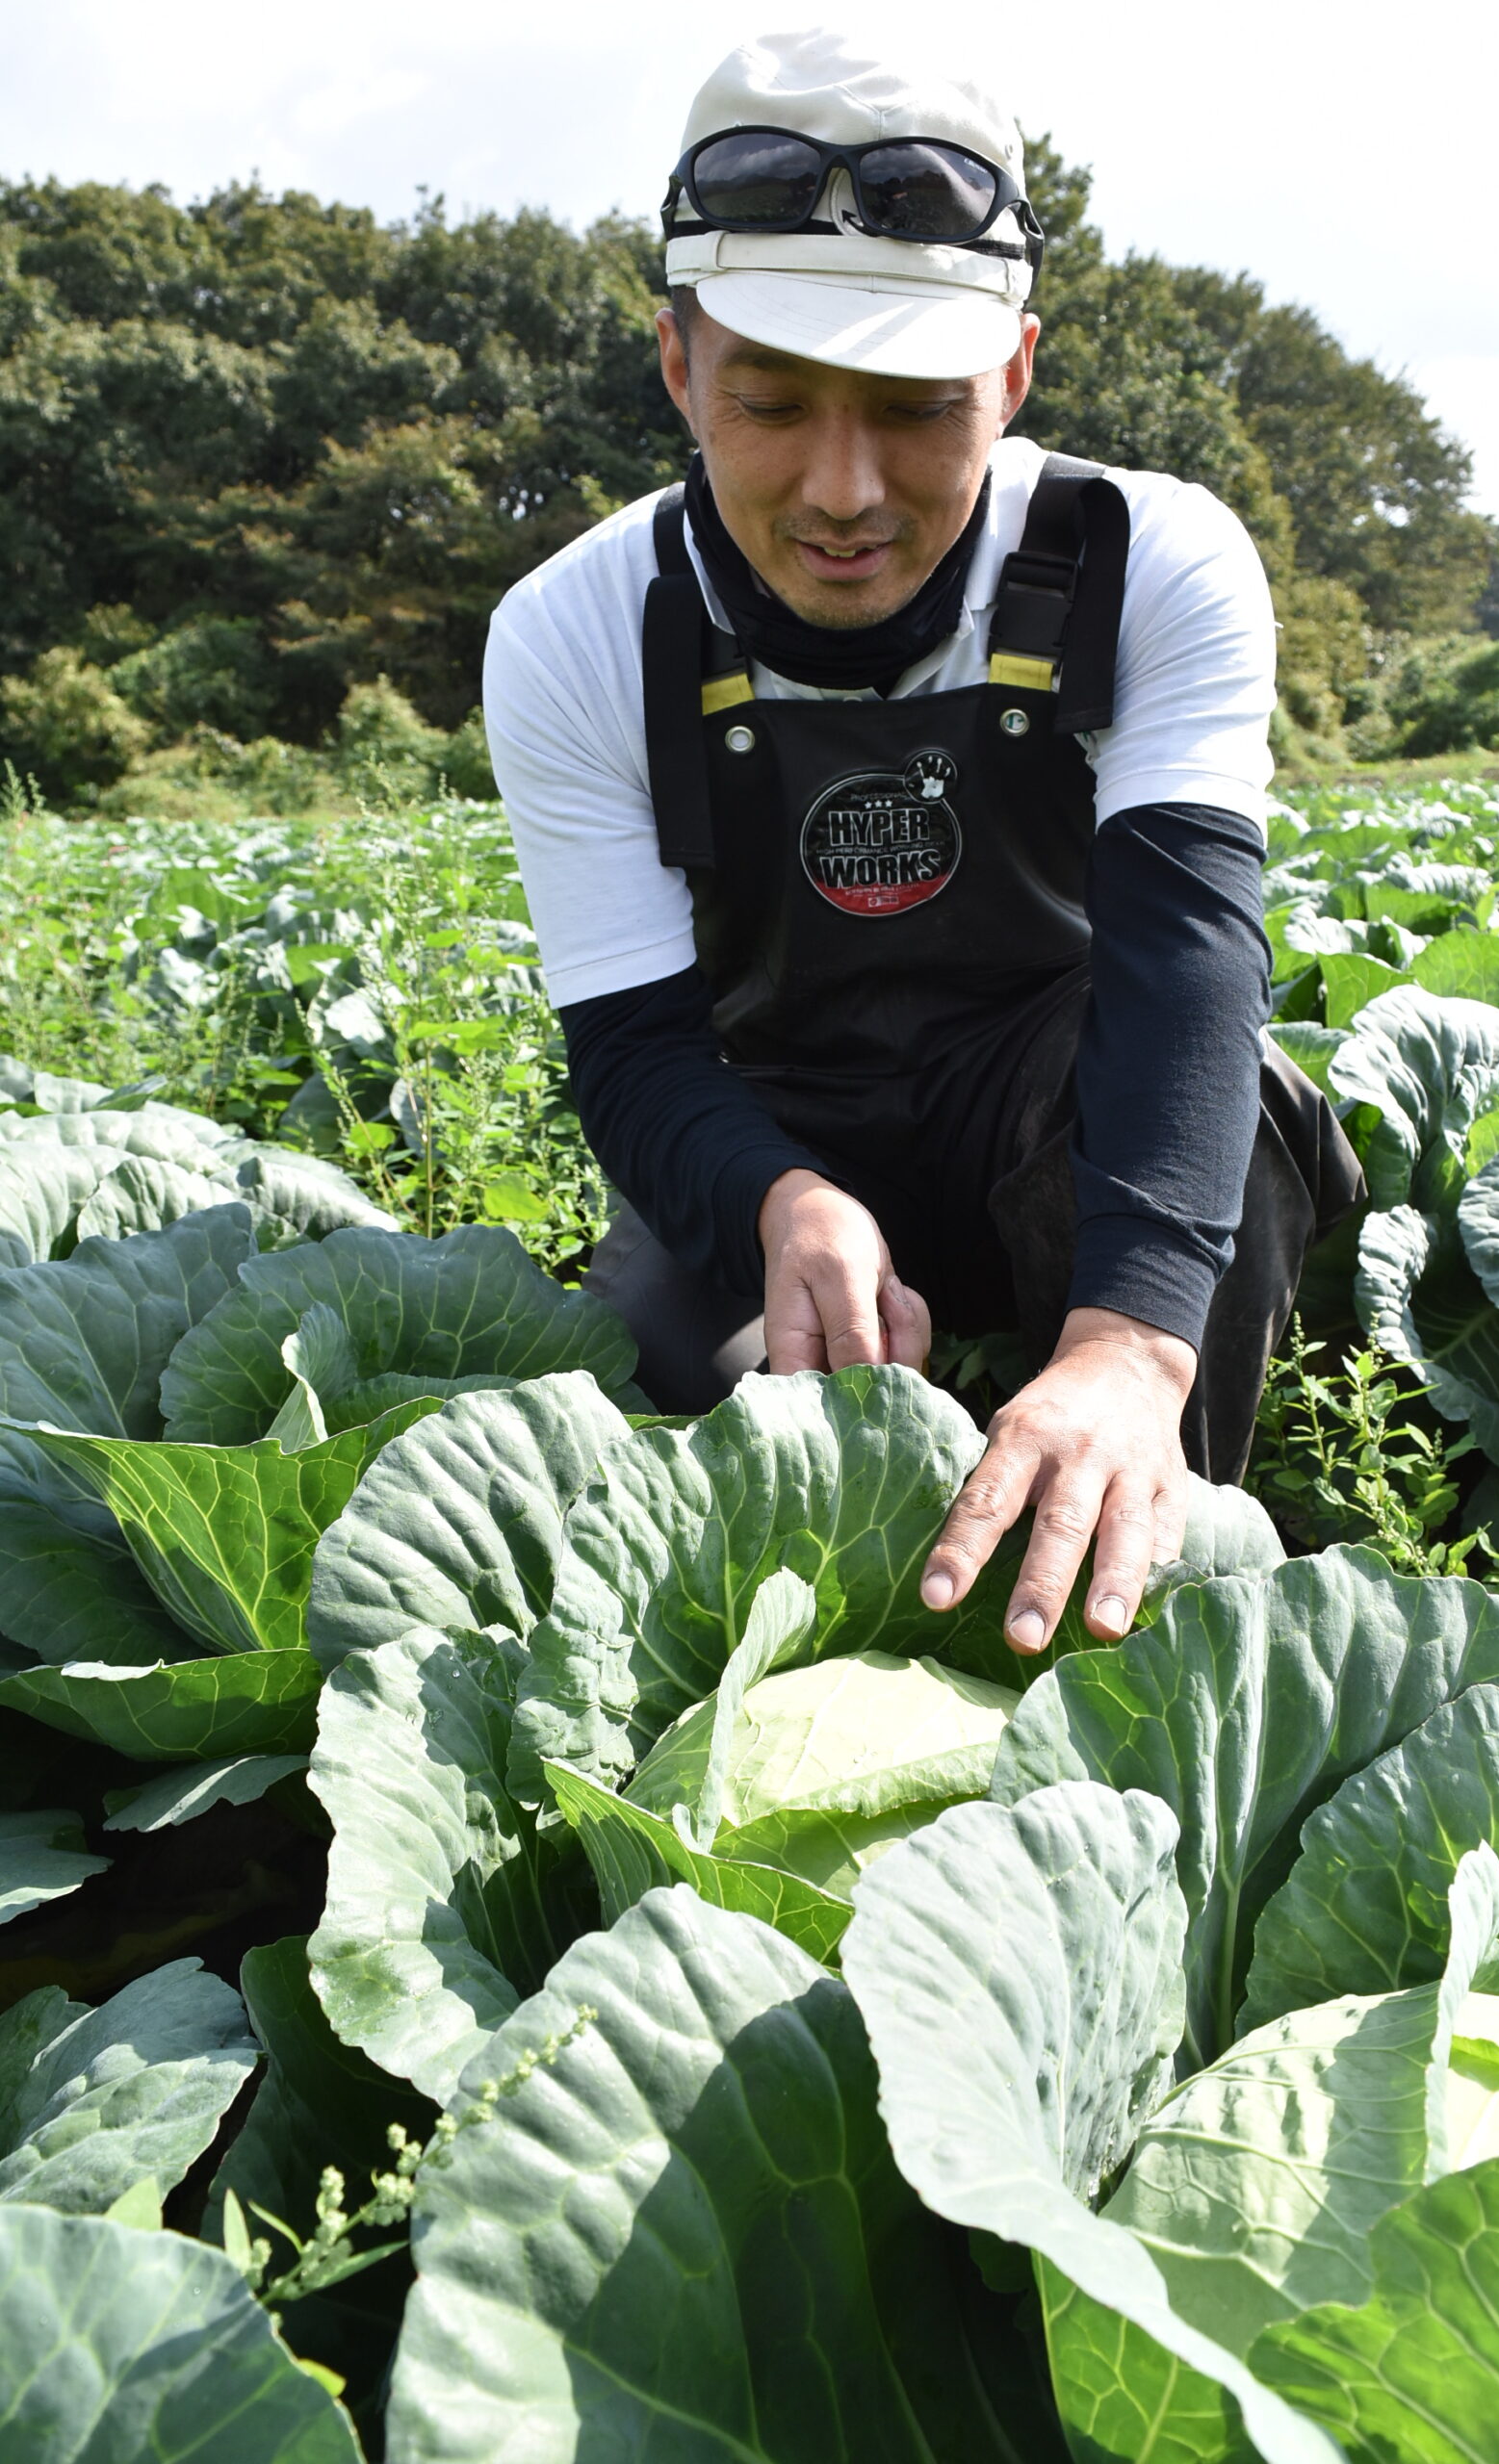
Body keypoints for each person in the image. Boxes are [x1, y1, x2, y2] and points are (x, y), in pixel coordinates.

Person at [483, 28, 1362, 1662]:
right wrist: (776, 1202)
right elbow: (632, 1044)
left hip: (1052, 1105)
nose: (844, 489)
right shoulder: (575, 631)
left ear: (1015, 378)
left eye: (915, 412)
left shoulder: (1149, 562)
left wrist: (1129, 1347)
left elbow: (1185, 971)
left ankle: (1133, 1625)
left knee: (1232, 1138)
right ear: (679, 368)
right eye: (768, 402)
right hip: (774, 1120)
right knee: (678, 1426)